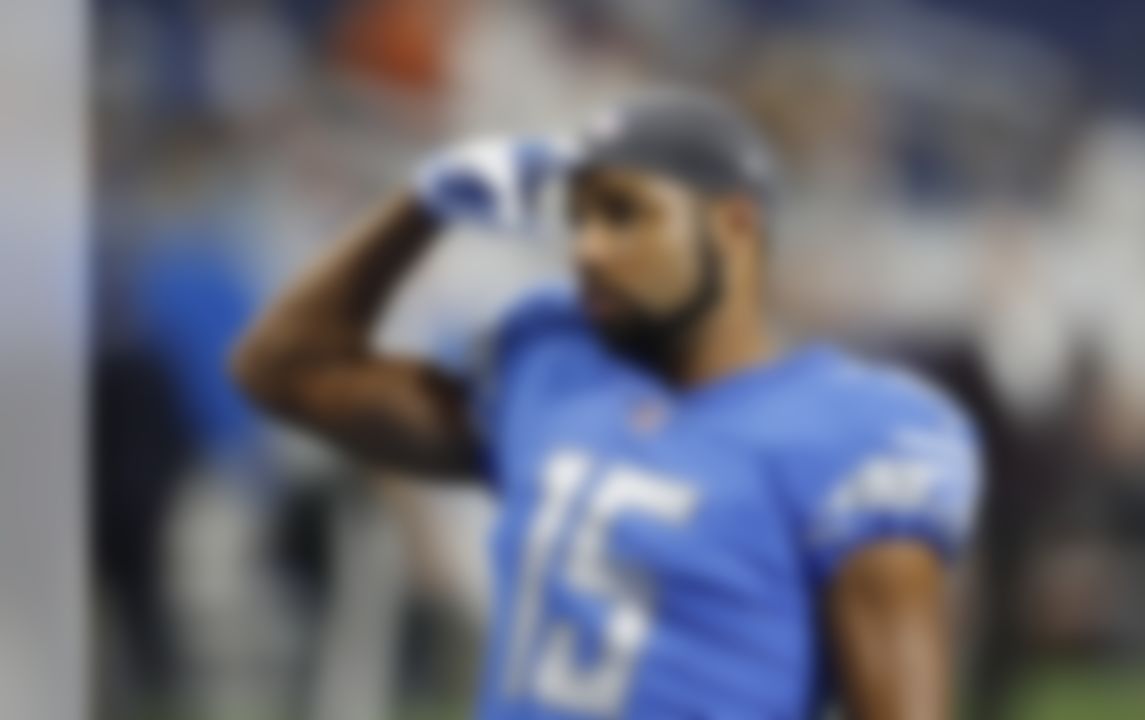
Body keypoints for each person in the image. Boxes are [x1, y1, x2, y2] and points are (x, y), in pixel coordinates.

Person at [232, 91, 983, 719]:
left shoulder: (854, 434)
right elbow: (282, 372)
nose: (588, 248)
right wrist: (420, 206)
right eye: (579, 218)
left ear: (734, 225)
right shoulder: (553, 369)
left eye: (624, 214)